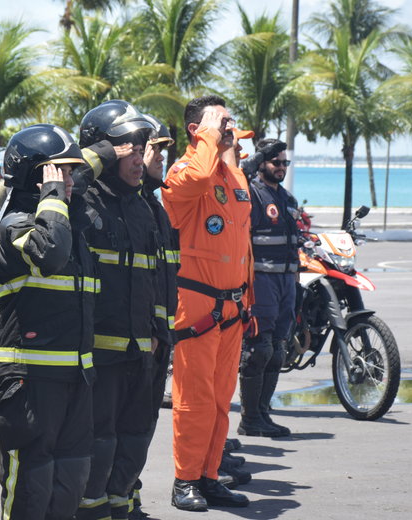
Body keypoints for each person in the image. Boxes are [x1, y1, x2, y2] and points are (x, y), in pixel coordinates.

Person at [0, 124, 96, 519]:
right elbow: (48, 254)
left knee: (69, 483)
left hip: (74, 379)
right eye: (60, 172)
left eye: (71, 172)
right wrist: (53, 198)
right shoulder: (17, 224)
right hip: (29, 380)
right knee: (31, 490)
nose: (69, 181)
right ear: (37, 176)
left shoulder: (70, 228)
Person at [74, 100, 169, 520]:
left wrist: (157, 336)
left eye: (142, 146)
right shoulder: (82, 201)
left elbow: (154, 280)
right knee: (99, 443)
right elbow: (63, 184)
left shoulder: (141, 206)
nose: (139, 156)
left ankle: (122, 509)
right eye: (128, 147)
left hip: (140, 352)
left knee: (134, 441)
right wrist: (96, 156)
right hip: (99, 355)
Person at [161, 95, 251, 511]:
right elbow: (196, 178)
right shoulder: (184, 172)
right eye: (220, 121)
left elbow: (242, 246)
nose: (229, 127)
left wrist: (247, 301)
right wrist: (210, 135)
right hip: (198, 309)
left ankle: (208, 475)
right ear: (197, 130)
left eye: (229, 121)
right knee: (193, 401)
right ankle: (184, 480)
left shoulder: (234, 178)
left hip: (233, 310)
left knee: (219, 401)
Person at [128, 114, 180, 518]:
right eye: (153, 148)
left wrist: (165, 332)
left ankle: (129, 493)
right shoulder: (123, 206)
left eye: (163, 149)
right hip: (129, 345)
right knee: (117, 431)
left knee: (140, 430)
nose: (161, 156)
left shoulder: (155, 208)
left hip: (157, 340)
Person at [239, 138, 299, 438]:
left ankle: (263, 413)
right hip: (261, 281)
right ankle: (249, 418)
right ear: (262, 162)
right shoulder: (252, 195)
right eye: (276, 162)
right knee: (258, 350)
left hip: (287, 282)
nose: (281, 167)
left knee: (277, 350)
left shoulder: (288, 199)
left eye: (285, 162)